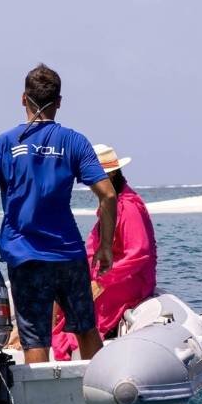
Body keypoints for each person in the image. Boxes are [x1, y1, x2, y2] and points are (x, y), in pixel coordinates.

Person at [0, 63, 119, 364]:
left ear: (23, 99)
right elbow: (108, 194)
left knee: (35, 338)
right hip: (68, 254)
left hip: (26, 257)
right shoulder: (75, 142)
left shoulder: (5, 143)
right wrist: (105, 246)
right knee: (86, 329)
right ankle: (99, 389)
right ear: (59, 102)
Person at [50, 144, 157, 360]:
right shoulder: (111, 205)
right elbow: (92, 250)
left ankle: (75, 347)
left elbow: (139, 253)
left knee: (83, 307)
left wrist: (103, 281)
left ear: (112, 175)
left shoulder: (128, 207)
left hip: (129, 278)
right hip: (110, 274)